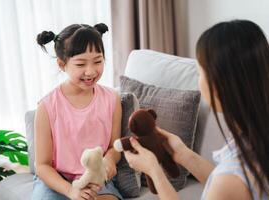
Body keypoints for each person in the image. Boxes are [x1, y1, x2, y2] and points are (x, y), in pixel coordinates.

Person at [124, 19, 269, 200]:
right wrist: (185, 155)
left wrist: (153, 170)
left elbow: (227, 184)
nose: (198, 80)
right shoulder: (253, 140)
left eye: (200, 72)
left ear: (217, 84)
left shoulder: (230, 180)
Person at [32, 23, 123, 200]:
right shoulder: (46, 107)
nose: (90, 71)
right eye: (80, 64)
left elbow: (115, 147)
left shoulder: (112, 99)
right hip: (56, 182)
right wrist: (70, 191)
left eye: (98, 61)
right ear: (61, 64)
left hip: (95, 179)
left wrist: (110, 159)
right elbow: (42, 166)